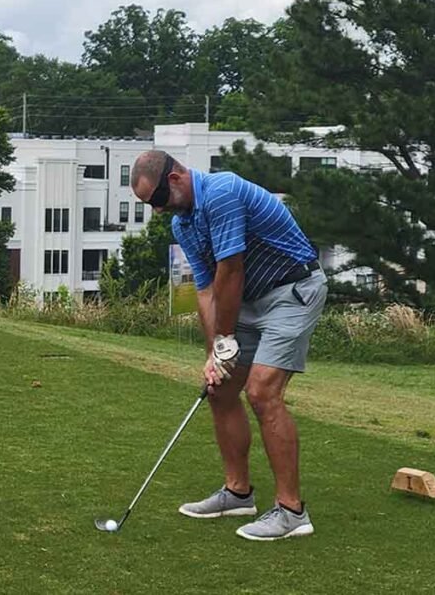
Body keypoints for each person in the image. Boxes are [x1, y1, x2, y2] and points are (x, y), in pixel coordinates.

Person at [130, 149, 327, 541]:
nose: (157, 210)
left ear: (175, 178)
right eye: (149, 204)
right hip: (250, 302)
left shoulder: (222, 192)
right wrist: (214, 355)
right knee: (219, 389)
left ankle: (292, 512)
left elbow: (231, 269)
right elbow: (206, 292)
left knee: (262, 390)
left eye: (158, 199)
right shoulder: (183, 225)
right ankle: (238, 493)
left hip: (293, 289)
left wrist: (225, 339)